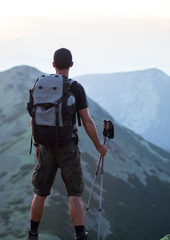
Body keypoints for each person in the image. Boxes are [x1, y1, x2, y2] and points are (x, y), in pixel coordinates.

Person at [27, 48, 108, 240]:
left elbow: (33, 118)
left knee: (40, 193)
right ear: (71, 64)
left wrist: (37, 144)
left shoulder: (40, 84)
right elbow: (86, 121)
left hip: (46, 146)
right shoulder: (75, 88)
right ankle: (80, 236)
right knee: (74, 194)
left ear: (53, 64)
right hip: (67, 147)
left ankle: (32, 234)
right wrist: (98, 146)